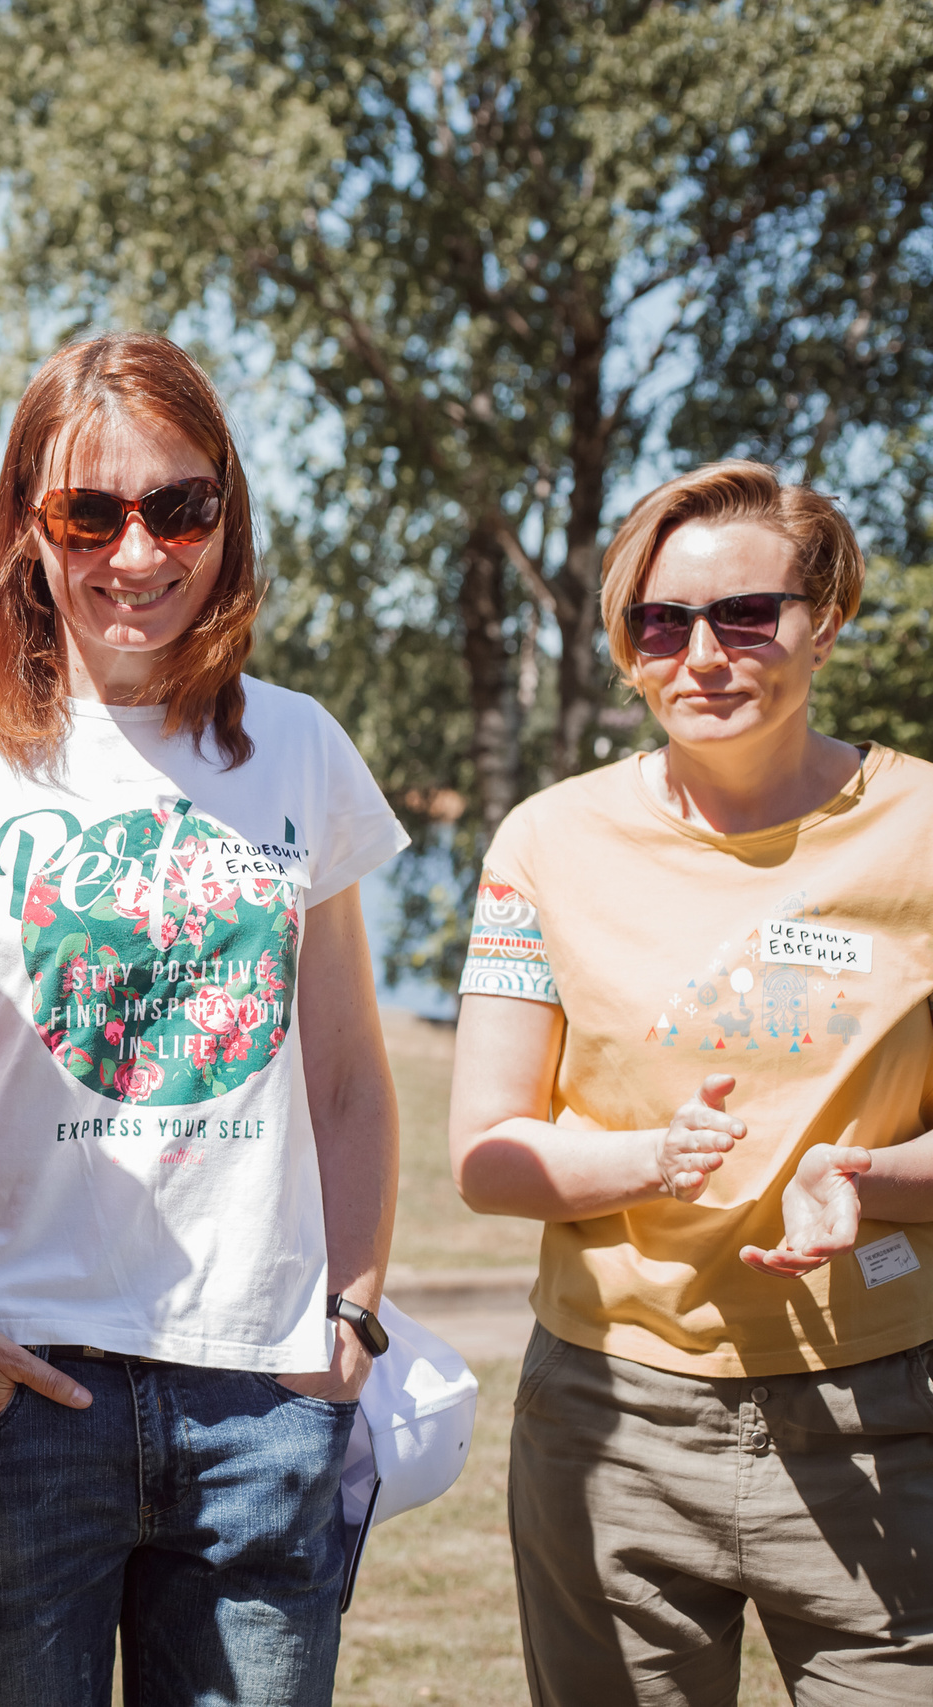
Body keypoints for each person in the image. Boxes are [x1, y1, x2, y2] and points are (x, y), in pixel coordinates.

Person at [0, 332, 406, 1705]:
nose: (138, 551)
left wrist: (357, 1309)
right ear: (28, 524)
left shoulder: (299, 744)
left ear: (229, 514)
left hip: (265, 1403)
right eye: (92, 511)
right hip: (12, 1392)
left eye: (181, 506)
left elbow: (344, 1073)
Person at [449, 460, 933, 1705]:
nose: (702, 656)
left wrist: (862, 1179)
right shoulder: (544, 844)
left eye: (744, 617)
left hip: (887, 1425)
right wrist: (645, 1161)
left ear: (823, 620)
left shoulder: (922, 829)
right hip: (614, 1431)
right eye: (660, 624)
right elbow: (488, 1153)